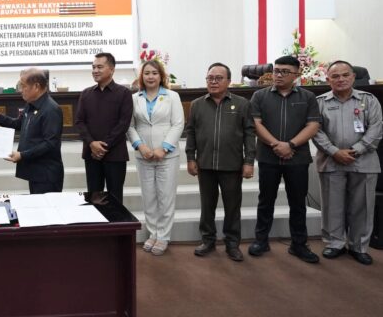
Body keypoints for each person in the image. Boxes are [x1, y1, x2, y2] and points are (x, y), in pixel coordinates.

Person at [248, 55, 321, 263]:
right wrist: (277, 145)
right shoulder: (259, 96)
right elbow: (256, 124)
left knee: (298, 203)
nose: (278, 75)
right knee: (266, 201)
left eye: (285, 71)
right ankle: (261, 240)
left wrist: (290, 145)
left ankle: (299, 244)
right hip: (268, 157)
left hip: (297, 158)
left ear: (297, 74)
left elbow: (313, 126)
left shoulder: (308, 97)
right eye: (276, 71)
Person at [312, 60, 382, 265]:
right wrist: (334, 152)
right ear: (328, 80)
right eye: (335, 76)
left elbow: (376, 128)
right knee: (332, 205)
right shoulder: (320, 102)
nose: (340, 79)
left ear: (353, 77)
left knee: (363, 206)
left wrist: (357, 150)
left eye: (345, 75)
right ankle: (335, 244)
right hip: (331, 161)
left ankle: (359, 246)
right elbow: (315, 130)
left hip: (364, 161)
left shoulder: (369, 100)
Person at [185, 63, 256, 262]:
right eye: (210, 78)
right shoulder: (197, 104)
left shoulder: (242, 104)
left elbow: (250, 134)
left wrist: (249, 161)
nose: (213, 82)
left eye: (218, 78)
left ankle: (232, 243)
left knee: (232, 207)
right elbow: (191, 133)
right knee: (207, 206)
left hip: (231, 165)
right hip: (205, 164)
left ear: (229, 81)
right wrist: (190, 158)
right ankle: (208, 240)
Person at [127, 59, 184, 255]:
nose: (150, 76)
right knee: (149, 197)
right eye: (147, 73)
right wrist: (140, 146)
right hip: (144, 155)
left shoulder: (172, 96)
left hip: (167, 156)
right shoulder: (134, 98)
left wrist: (164, 148)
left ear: (161, 76)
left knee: (165, 197)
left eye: (154, 73)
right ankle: (153, 233)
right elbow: (130, 126)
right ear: (141, 76)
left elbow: (178, 124)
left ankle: (164, 236)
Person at [0, 68, 64, 194]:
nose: (20, 90)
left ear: (36, 86)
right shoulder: (31, 104)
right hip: (35, 171)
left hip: (46, 174)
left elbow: (50, 143)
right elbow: (19, 124)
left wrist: (22, 155)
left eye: (23, 86)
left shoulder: (51, 109)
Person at [75, 53, 133, 204]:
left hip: (115, 154)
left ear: (112, 70)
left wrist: (103, 146)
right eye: (93, 67)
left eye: (100, 67)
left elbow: (123, 124)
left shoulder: (124, 93)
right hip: (91, 154)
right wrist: (92, 144)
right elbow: (79, 122)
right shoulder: (86, 93)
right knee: (94, 198)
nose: (95, 70)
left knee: (115, 199)